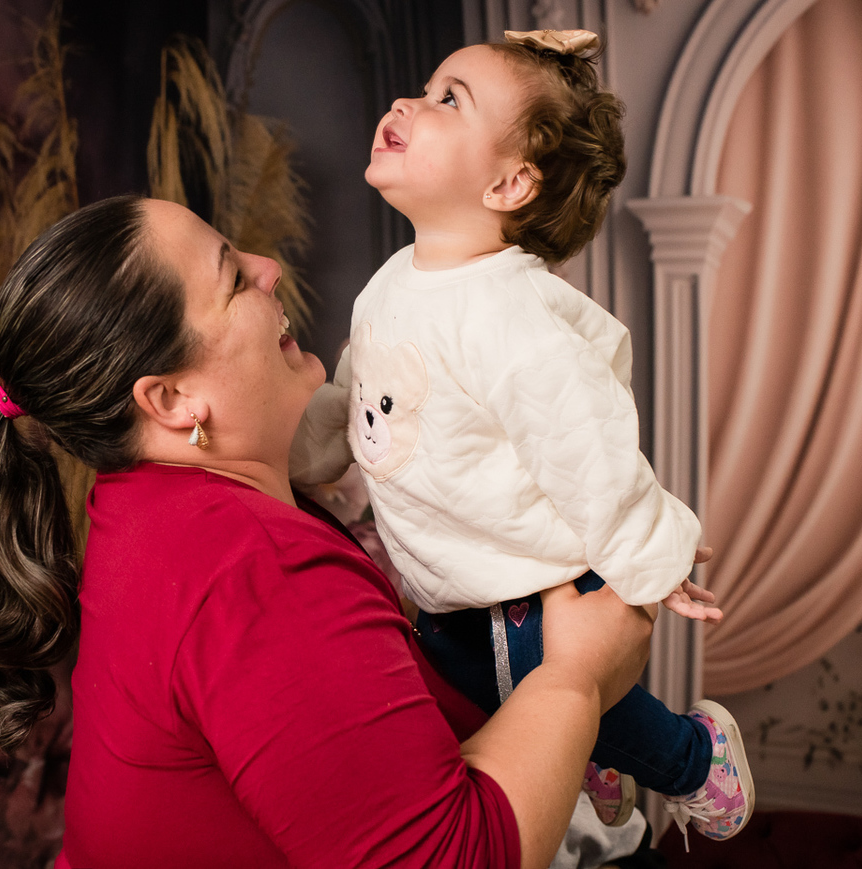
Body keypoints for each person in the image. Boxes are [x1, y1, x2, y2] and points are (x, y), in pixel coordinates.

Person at [0, 194, 659, 869]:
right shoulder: (250, 569)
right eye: (233, 278)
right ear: (172, 399)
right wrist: (577, 673)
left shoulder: (142, 501)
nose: (269, 269)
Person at [290, 30, 753, 847]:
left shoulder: (512, 314)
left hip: (533, 585)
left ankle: (694, 759)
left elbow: (588, 447)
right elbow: (362, 393)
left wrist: (652, 551)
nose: (407, 102)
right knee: (474, 688)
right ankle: (585, 753)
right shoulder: (392, 281)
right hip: (451, 584)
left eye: (448, 99)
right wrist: (307, 453)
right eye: (425, 87)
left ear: (508, 183)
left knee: (563, 686)